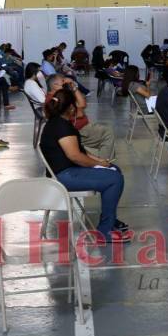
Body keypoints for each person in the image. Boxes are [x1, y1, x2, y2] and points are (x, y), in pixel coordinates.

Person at [39, 88, 129, 243]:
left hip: (67, 171)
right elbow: (75, 156)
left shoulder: (59, 123)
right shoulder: (62, 127)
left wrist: (101, 162)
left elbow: (83, 152)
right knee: (114, 179)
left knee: (115, 169)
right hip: (64, 176)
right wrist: (97, 164)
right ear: (71, 107)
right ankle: (104, 231)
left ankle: (110, 219)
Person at [46, 74, 115, 159]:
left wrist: (74, 87)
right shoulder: (55, 100)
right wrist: (79, 109)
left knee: (105, 133)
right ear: (55, 85)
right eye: (63, 82)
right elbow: (80, 112)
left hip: (82, 127)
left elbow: (83, 104)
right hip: (80, 131)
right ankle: (103, 162)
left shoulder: (60, 95)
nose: (66, 84)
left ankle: (101, 159)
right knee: (107, 132)